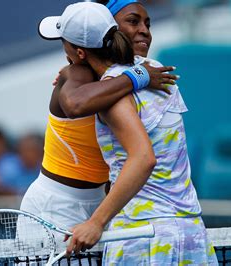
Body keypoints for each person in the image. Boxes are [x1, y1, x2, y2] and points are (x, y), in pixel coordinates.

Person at [38, 2, 217, 265]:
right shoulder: (155, 69)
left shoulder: (110, 91)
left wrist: (97, 222)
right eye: (134, 22)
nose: (144, 30)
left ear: (78, 52)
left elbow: (143, 158)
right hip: (190, 230)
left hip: (142, 234)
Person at [19, 2, 178, 236]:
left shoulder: (137, 73)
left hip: (104, 204)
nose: (144, 30)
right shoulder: (78, 72)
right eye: (133, 22)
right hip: (55, 206)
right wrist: (138, 76)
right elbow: (76, 104)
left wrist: (138, 75)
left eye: (147, 24)